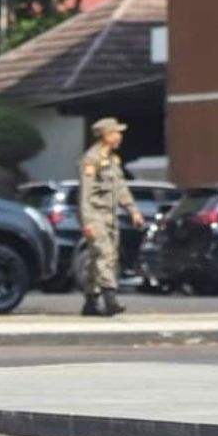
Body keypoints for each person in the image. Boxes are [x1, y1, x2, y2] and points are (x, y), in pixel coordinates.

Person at [79, 117, 144, 316]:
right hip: (95, 215)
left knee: (100, 258)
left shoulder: (114, 160)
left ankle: (91, 301)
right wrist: (87, 221)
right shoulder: (91, 159)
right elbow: (85, 193)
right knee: (105, 255)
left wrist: (132, 210)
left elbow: (121, 188)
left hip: (110, 216)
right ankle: (110, 300)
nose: (120, 136)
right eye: (116, 132)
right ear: (107, 136)